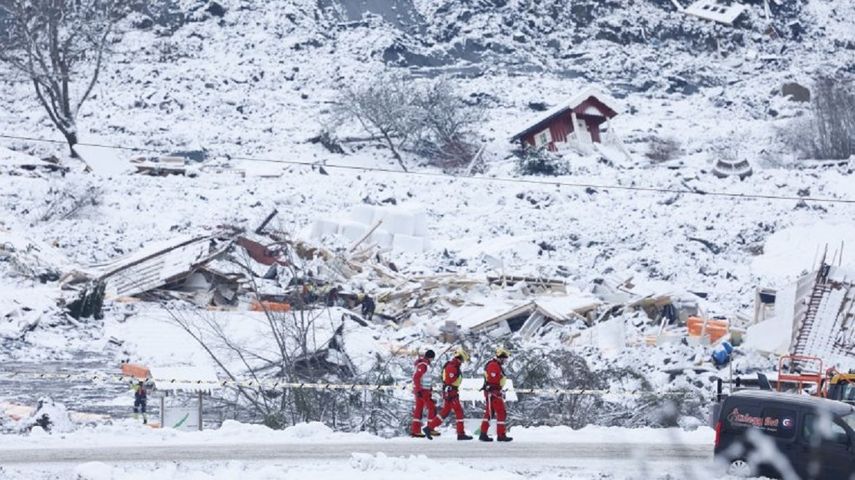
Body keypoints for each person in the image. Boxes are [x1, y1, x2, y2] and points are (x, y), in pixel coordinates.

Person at [423, 347, 473, 441]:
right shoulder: (452, 367)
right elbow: (450, 380)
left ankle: (429, 428)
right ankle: (460, 433)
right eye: (462, 360)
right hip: (451, 392)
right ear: (459, 358)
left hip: (450, 391)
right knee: (459, 412)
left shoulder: (453, 366)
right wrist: (451, 391)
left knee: (445, 412)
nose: (462, 362)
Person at [480, 347, 512, 442]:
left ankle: (484, 433)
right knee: (500, 412)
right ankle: (500, 435)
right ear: (501, 357)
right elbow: (493, 380)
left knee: (490, 413)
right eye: (505, 358)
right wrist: (497, 392)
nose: (505, 361)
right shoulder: (493, 365)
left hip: (494, 392)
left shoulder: (496, 365)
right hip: (493, 393)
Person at [410, 349, 438, 438]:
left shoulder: (422, 364)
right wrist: (419, 390)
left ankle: (416, 431)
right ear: (431, 358)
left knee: (419, 410)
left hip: (423, 391)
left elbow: (423, 379)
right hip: (423, 391)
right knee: (432, 407)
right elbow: (416, 377)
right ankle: (430, 428)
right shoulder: (423, 365)